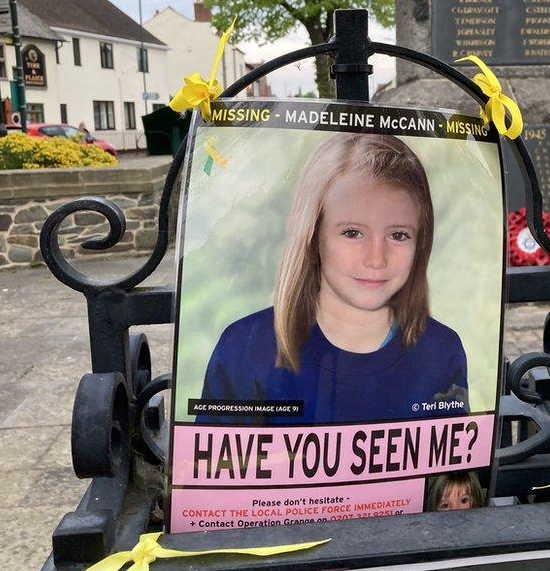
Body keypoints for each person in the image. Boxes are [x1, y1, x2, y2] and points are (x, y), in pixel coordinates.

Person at [197, 133, 469, 425]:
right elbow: (213, 466)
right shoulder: (243, 349)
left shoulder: (442, 351)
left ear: (421, 241)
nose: (376, 259)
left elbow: (456, 468)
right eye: (352, 233)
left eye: (398, 235)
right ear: (312, 237)